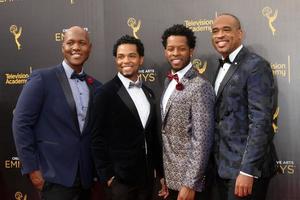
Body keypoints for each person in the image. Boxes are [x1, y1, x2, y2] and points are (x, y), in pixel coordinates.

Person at [12, 26, 102, 200]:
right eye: (70, 43)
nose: (76, 47)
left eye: (82, 43)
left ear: (89, 48)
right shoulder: (42, 79)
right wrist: (32, 170)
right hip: (53, 177)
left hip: (86, 179)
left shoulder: (96, 86)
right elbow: (20, 123)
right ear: (62, 47)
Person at [211, 13, 278, 200]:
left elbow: (261, 121)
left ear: (240, 34)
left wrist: (248, 171)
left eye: (226, 29)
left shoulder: (256, 65)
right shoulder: (220, 66)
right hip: (222, 169)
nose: (219, 35)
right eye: (215, 31)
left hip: (245, 172)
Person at [91, 35, 165, 200]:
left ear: (140, 59)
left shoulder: (148, 92)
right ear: (116, 60)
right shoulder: (105, 93)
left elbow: (151, 137)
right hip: (120, 182)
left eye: (131, 55)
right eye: (121, 56)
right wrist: (108, 177)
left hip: (146, 179)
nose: (126, 60)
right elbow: (96, 138)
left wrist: (159, 173)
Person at [160, 24, 215, 200]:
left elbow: (202, 140)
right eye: (170, 49)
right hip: (170, 179)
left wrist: (191, 183)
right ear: (165, 52)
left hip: (189, 183)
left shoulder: (200, 86)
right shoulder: (167, 82)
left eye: (181, 48)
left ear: (191, 50)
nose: (175, 53)